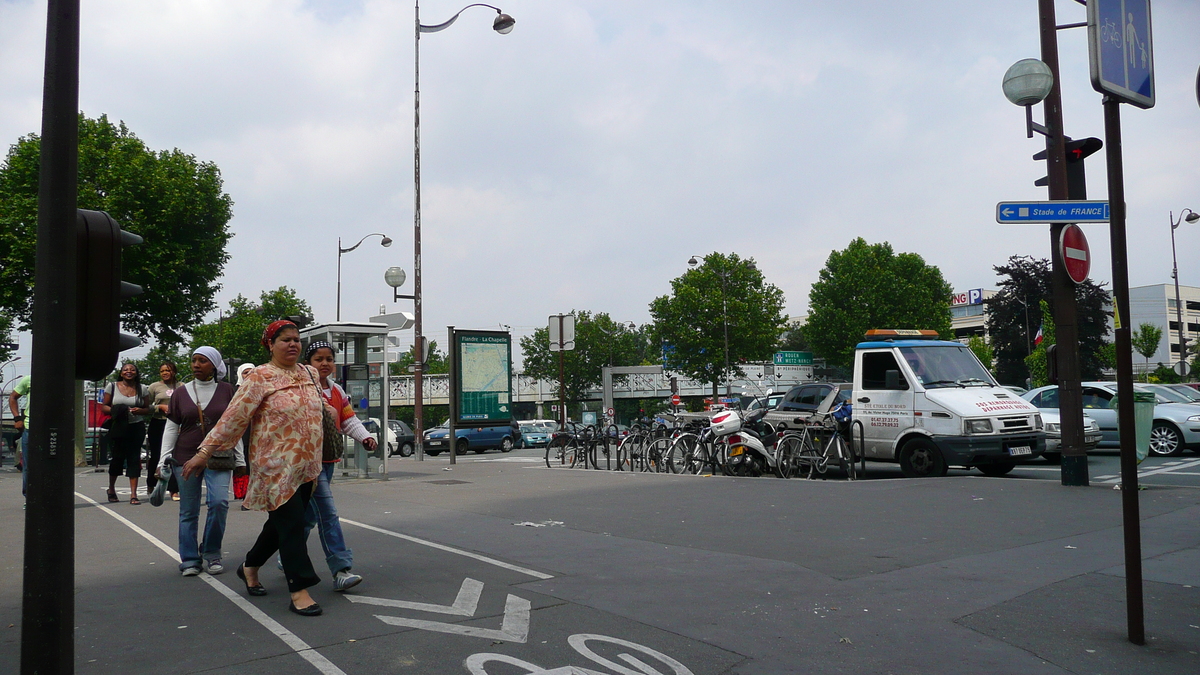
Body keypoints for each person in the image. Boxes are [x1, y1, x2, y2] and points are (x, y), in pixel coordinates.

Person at [183, 320, 325, 616]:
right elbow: (233, 418)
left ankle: (249, 566)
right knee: (293, 525)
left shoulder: (310, 373)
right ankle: (299, 589)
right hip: (275, 468)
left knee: (280, 526)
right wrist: (204, 452)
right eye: (285, 340)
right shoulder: (259, 377)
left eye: (296, 339)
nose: (293, 344)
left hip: (306, 466)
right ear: (270, 345)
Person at [158, 347, 244, 577]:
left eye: (202, 361)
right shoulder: (180, 393)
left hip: (219, 457)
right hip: (184, 457)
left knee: (218, 503)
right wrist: (163, 459)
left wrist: (241, 459)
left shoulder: (228, 391)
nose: (196, 365)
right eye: (194, 360)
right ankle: (189, 560)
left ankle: (211, 551)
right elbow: (171, 427)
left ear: (214, 366)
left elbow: (235, 426)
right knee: (189, 511)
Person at [301, 340, 371, 591]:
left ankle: (287, 555)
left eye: (329, 359)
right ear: (307, 363)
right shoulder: (301, 389)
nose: (324, 363)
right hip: (308, 463)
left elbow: (349, 420)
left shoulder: (338, 392)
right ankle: (341, 569)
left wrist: (366, 437)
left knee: (308, 518)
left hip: (328, 461)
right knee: (328, 513)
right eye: (318, 359)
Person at [102, 363, 151, 505]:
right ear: (121, 373)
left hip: (136, 427)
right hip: (118, 427)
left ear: (136, 373)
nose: (129, 372)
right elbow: (104, 407)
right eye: (125, 370)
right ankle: (111, 489)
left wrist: (139, 411)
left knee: (134, 458)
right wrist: (118, 410)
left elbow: (147, 408)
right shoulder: (112, 386)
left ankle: (134, 494)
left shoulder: (142, 389)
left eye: (132, 370)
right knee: (117, 457)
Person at [146, 362, 183, 499]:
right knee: (156, 455)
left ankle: (174, 489)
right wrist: (159, 407)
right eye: (162, 371)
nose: (165, 373)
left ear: (174, 371)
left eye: (168, 370)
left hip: (176, 424)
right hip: (158, 423)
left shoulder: (181, 387)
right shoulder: (154, 387)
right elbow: (146, 406)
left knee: (174, 457)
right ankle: (152, 484)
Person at [7, 376, 30, 498]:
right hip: (30, 428)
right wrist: (17, 418)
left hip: (54, 428)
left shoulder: (61, 379)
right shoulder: (29, 380)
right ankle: (29, 497)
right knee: (29, 465)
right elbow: (12, 397)